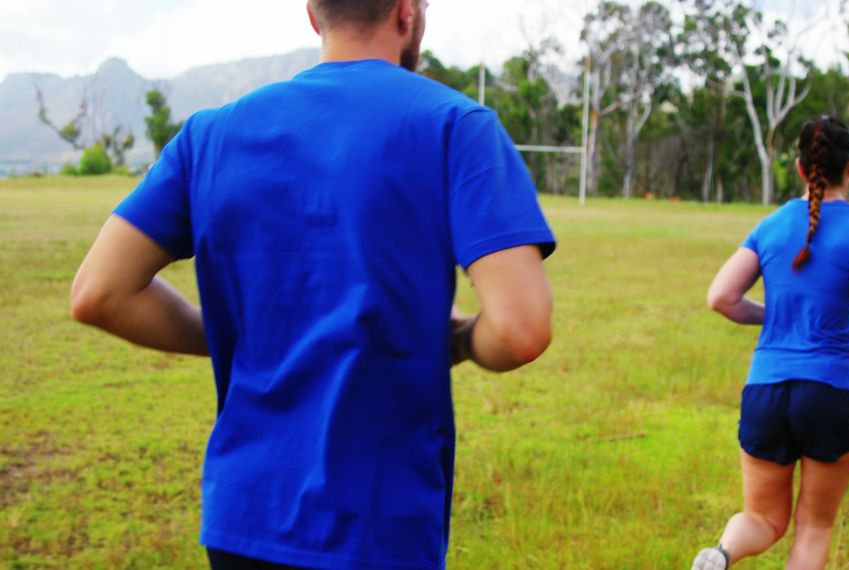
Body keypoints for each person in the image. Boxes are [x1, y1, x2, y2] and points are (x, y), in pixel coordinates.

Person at [69, 0, 557, 568]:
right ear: (407, 12)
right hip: (378, 521)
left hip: (242, 517)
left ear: (312, 14)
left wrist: (247, 330)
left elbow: (99, 292)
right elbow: (521, 329)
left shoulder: (208, 135)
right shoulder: (456, 125)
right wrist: (457, 340)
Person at [693, 116, 849, 570]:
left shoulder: (770, 226)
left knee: (762, 517)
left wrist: (771, 314)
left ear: (798, 167)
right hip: (831, 393)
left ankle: (720, 553)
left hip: (767, 391)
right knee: (813, 527)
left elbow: (721, 297)